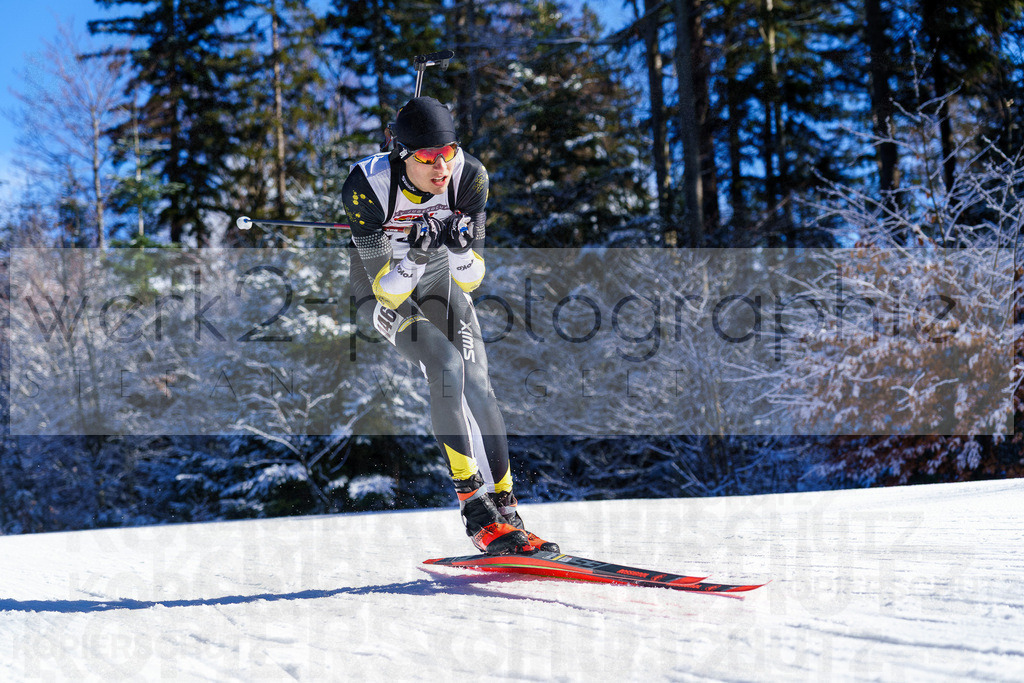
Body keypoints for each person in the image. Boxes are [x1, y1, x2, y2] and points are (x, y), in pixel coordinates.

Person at [343, 96, 557, 555]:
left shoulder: (470, 175)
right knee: (444, 365)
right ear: (403, 155)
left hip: (442, 278)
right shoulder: (366, 185)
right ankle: (474, 508)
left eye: (449, 152)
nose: (441, 166)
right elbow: (388, 292)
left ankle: (506, 509)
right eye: (427, 157)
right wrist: (416, 251)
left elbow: (473, 278)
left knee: (477, 380)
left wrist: (458, 249)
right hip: (382, 287)